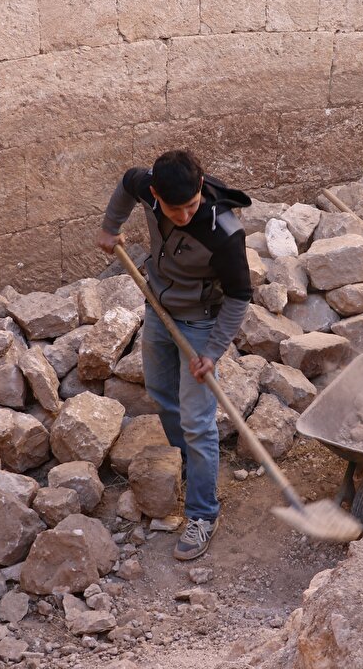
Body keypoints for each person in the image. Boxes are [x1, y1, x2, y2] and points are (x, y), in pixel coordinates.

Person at [96, 150, 252, 560]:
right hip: (157, 306)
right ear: (156, 195)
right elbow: (127, 181)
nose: (183, 216)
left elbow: (239, 297)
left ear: (201, 189)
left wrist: (213, 352)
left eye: (191, 206)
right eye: (173, 208)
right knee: (161, 390)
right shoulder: (146, 188)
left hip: (200, 322)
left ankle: (203, 513)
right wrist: (110, 228)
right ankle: (186, 462)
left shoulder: (225, 233)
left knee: (198, 421)